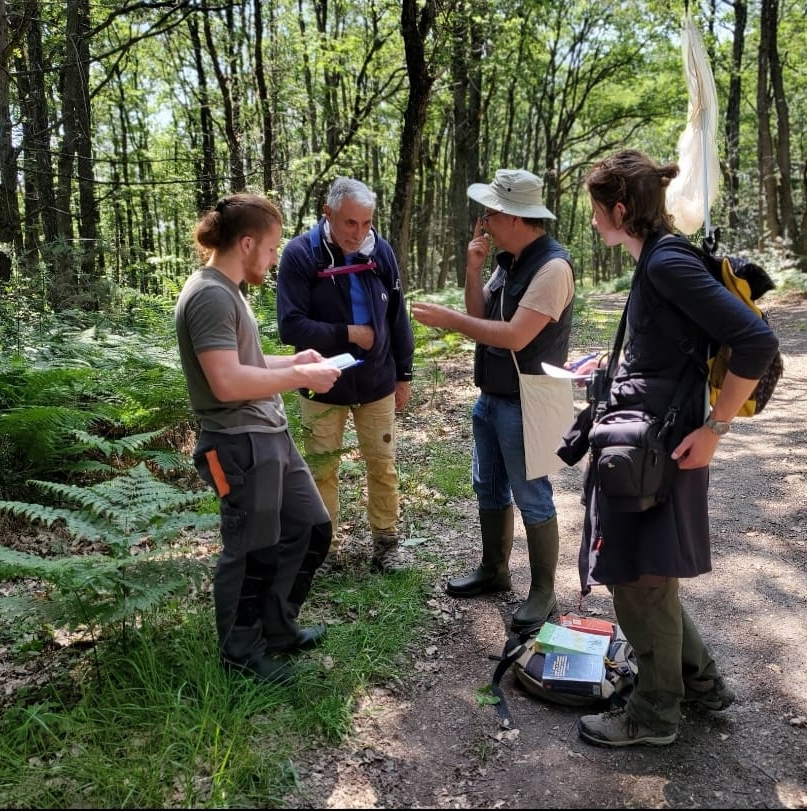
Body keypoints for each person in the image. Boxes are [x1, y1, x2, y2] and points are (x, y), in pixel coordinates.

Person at [573, 149, 779, 747]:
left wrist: (716, 429)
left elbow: (755, 341)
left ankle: (655, 715)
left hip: (661, 448)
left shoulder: (665, 262)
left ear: (617, 209)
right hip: (647, 440)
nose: (591, 220)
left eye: (594, 209)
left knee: (642, 578)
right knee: (649, 570)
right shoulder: (656, 262)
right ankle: (700, 684)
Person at [175, 193, 343, 685]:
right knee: (250, 551)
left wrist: (294, 362)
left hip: (268, 432)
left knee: (310, 527)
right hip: (237, 442)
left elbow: (242, 363)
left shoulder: (229, 290)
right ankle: (240, 654)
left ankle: (278, 627)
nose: (273, 260)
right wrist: (299, 380)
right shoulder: (208, 294)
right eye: (270, 250)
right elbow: (226, 383)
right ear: (246, 244)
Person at [412, 168, 575, 634]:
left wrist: (447, 320)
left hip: (529, 400)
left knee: (532, 495)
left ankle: (543, 592)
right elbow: (480, 314)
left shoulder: (552, 267)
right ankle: (494, 570)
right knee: (489, 486)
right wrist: (472, 269)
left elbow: (514, 336)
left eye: (490, 214)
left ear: (515, 217)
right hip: (492, 397)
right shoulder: (511, 260)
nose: (484, 222)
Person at [277, 177, 415, 574]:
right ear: (328, 214)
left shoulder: (381, 252)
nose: (359, 233)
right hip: (321, 383)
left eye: (367, 223)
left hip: (375, 382)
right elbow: (291, 326)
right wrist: (348, 334)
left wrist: (403, 373)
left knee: (383, 464)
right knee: (322, 469)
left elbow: (397, 318)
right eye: (350, 223)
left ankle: (386, 544)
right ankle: (323, 549)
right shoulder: (301, 255)